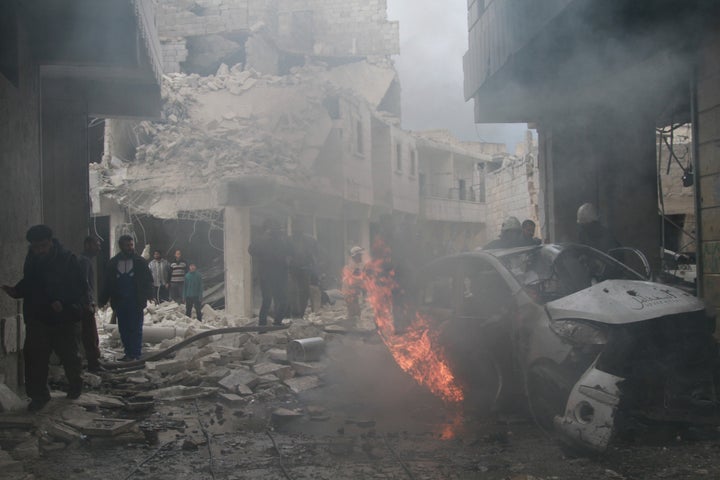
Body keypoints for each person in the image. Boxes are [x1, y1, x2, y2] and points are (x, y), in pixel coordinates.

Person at [1, 225, 85, 411]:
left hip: (61, 318)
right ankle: (38, 395)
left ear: (51, 242)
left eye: (43, 246)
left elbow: (79, 288)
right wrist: (17, 291)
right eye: (35, 247)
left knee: (69, 355)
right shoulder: (32, 258)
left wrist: (63, 302)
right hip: (37, 316)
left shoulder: (67, 259)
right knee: (35, 357)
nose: (39, 251)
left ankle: (75, 386)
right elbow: (30, 282)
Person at [99, 235, 153, 361]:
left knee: (135, 328)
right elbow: (107, 283)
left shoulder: (140, 262)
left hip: (135, 300)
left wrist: (149, 295)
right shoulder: (113, 263)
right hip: (120, 301)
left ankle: (135, 354)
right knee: (124, 328)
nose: (130, 248)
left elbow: (147, 280)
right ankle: (128, 353)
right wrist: (102, 299)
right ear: (121, 246)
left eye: (131, 245)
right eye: (127, 245)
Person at [248, 219, 292, 326]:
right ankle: (276, 323)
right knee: (281, 299)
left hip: (267, 275)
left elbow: (251, 250)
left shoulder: (264, 240)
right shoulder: (281, 241)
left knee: (268, 300)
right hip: (277, 275)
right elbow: (290, 253)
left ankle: (263, 326)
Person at [77, 235, 103, 372]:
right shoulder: (84, 261)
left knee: (90, 335)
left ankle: (94, 363)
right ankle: (94, 365)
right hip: (84, 306)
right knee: (90, 335)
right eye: (96, 245)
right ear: (87, 245)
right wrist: (89, 303)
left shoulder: (85, 260)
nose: (99, 248)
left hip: (83, 304)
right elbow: (83, 283)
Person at [288, 221, 321, 318]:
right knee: (293, 292)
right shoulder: (288, 240)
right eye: (295, 228)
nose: (297, 230)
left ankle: (300, 314)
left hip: (305, 269)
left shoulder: (310, 240)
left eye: (299, 228)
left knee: (304, 293)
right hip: (292, 270)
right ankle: (294, 314)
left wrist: (315, 268)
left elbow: (317, 254)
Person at [342, 246, 366, 323]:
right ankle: (351, 328)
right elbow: (354, 281)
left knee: (356, 312)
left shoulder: (356, 266)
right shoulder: (352, 266)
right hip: (350, 294)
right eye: (360, 255)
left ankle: (353, 327)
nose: (361, 257)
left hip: (353, 293)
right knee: (354, 313)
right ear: (355, 256)